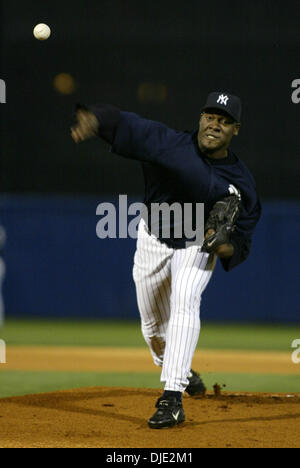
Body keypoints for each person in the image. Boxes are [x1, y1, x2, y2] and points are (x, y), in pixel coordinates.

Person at [71, 91, 261, 429]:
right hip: (153, 240)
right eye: (210, 116)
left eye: (224, 120)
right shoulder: (168, 144)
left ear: (236, 129)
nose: (214, 124)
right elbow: (126, 123)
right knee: (153, 329)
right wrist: (95, 119)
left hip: (196, 247)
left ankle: (172, 398)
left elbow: (241, 240)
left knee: (186, 300)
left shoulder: (241, 181)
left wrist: (222, 246)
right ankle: (181, 369)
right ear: (201, 119)